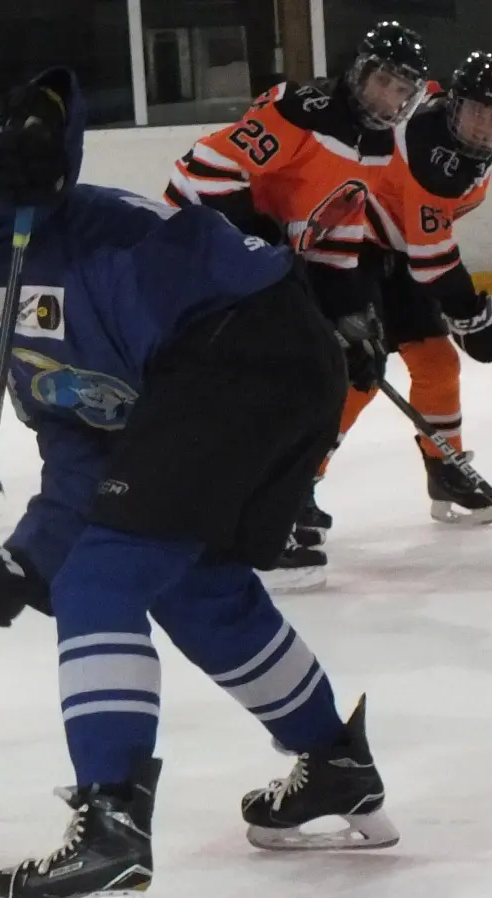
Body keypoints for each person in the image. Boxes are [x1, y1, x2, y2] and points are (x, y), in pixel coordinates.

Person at [0, 69, 398, 898]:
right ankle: (335, 762)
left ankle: (112, 823)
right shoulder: (32, 367)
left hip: (234, 343)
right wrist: (8, 573)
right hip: (278, 367)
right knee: (193, 578)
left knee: (104, 573)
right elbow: (82, 475)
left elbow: (44, 112)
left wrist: (31, 128)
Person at [164, 21, 430, 586]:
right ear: (358, 71)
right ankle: (250, 517)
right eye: (382, 81)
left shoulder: (379, 145)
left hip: (262, 263)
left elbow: (338, 228)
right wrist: (262, 244)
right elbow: (199, 172)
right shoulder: (300, 110)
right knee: (277, 377)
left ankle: (283, 496)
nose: (389, 99)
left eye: (401, 91)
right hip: (197, 256)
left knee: (336, 366)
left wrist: (348, 314)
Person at [324, 51, 492, 533]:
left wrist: (469, 317)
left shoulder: (447, 126)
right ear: (454, 106)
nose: (482, 126)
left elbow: (425, 250)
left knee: (436, 361)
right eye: (475, 111)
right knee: (358, 375)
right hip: (351, 249)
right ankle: (297, 484)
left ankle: (444, 468)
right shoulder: (436, 158)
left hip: (397, 251)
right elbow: (433, 260)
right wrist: (472, 316)